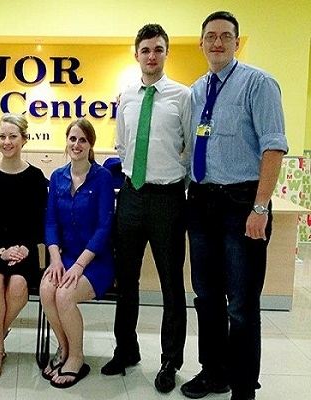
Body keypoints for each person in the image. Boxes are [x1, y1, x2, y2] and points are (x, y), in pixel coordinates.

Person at [181, 11, 288, 400]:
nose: (218, 42)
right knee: (206, 297)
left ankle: (243, 387)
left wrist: (260, 207)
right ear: (201, 43)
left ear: (237, 42)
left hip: (241, 203)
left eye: (226, 36)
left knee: (241, 303)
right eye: (210, 36)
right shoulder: (197, 90)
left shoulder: (258, 84)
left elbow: (273, 147)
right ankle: (214, 373)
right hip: (202, 201)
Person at [101, 24, 191, 394]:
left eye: (158, 49)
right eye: (145, 50)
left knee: (171, 284)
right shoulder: (126, 97)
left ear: (166, 53)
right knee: (127, 280)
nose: (151, 56)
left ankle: (170, 361)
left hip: (168, 198)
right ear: (136, 54)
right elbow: (123, 145)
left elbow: (189, 148)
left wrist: (172, 178)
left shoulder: (182, 96)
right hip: (131, 195)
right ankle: (126, 349)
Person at [0, 113, 48, 380]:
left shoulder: (36, 177)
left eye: (13, 136)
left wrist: (24, 248)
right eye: (2, 136)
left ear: (24, 139)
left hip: (24, 251)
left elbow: (40, 222)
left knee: (17, 285)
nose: (6, 141)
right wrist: (2, 251)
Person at [40, 118, 115, 389]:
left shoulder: (102, 177)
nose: (77, 144)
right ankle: (64, 347)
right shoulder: (57, 177)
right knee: (46, 289)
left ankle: (76, 357)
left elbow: (105, 226)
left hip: (95, 261)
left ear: (91, 144)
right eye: (72, 139)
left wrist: (80, 265)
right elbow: (50, 223)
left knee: (64, 295)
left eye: (83, 140)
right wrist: (55, 259)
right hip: (66, 258)